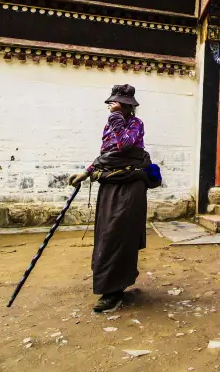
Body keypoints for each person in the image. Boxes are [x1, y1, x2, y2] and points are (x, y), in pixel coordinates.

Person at [68, 84, 160, 313]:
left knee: (120, 236)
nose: (113, 106)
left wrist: (117, 118)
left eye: (118, 103)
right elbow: (106, 155)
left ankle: (114, 290)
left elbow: (125, 145)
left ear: (129, 106)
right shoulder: (110, 124)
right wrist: (86, 172)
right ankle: (111, 286)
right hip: (109, 186)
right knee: (106, 236)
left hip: (130, 188)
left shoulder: (135, 124)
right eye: (113, 103)